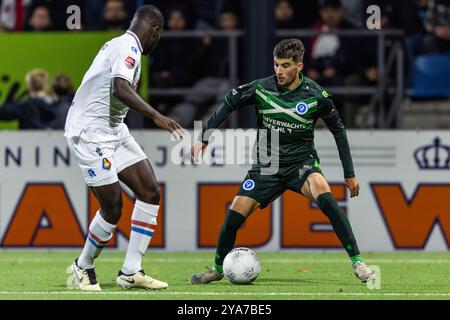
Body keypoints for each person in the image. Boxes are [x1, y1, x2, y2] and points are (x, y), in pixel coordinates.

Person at [190, 38, 375, 285]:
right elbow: (228, 103)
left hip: (302, 162)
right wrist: (204, 136)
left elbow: (339, 130)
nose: (279, 70)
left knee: (324, 192)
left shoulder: (316, 95)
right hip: (268, 165)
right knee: (234, 215)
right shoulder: (261, 88)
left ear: (299, 65)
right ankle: (217, 268)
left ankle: (358, 262)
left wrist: (349, 174)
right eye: (276, 64)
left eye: (286, 65)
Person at [64, 5, 183, 291]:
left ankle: (130, 271)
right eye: (159, 35)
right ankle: (83, 266)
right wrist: (156, 115)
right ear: (154, 30)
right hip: (90, 133)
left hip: (114, 130)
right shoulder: (127, 47)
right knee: (113, 207)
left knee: (150, 191)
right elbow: (120, 87)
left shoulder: (121, 45)